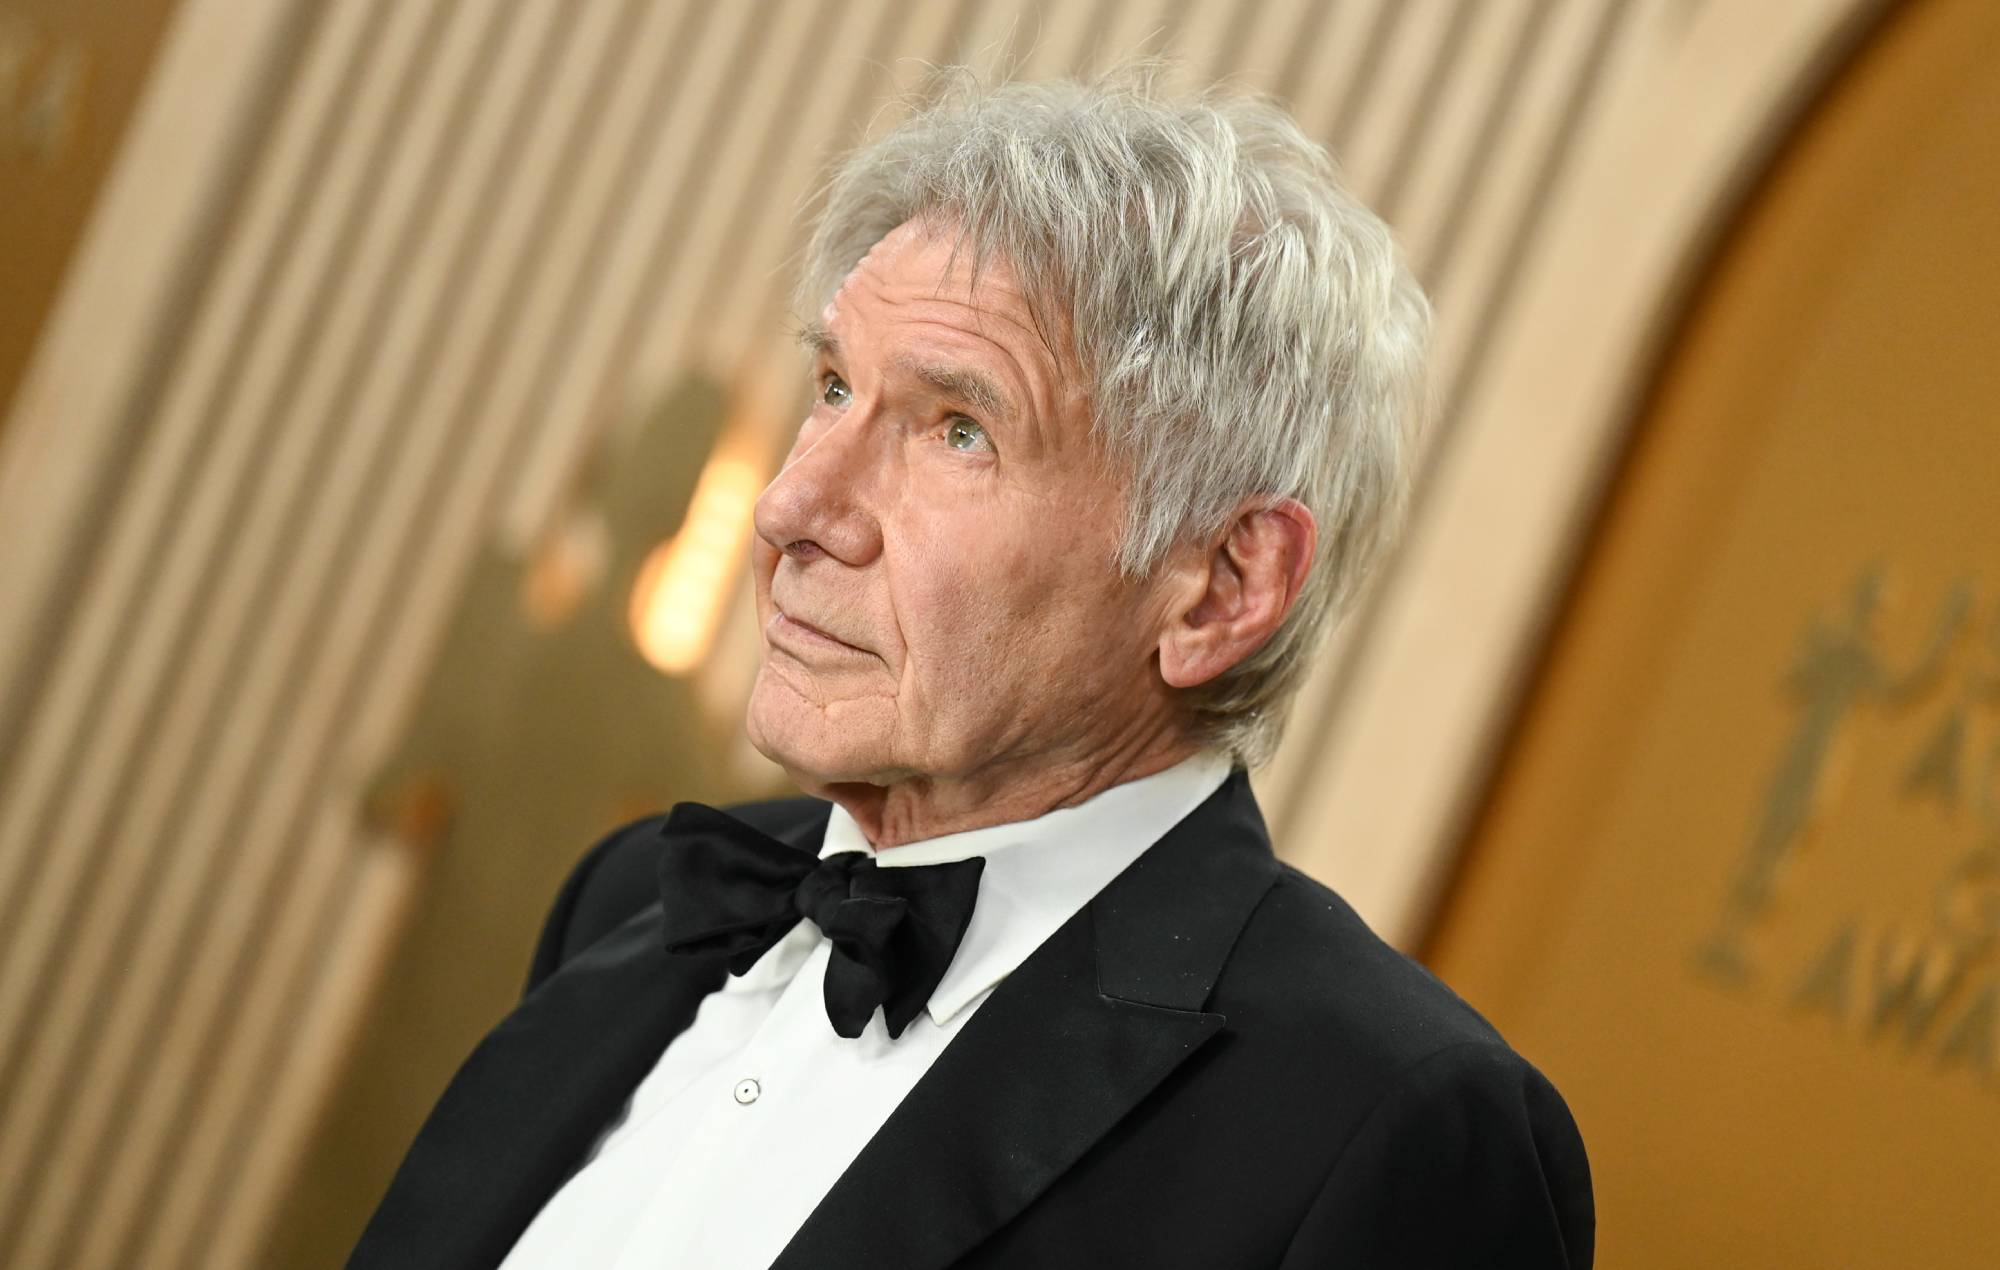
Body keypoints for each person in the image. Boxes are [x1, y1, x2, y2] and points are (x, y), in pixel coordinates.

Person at [348, 65, 1593, 1269]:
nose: (791, 507)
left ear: (1221, 584)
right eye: (832, 385)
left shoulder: (1389, 1131)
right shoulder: (634, 900)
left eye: (957, 431)